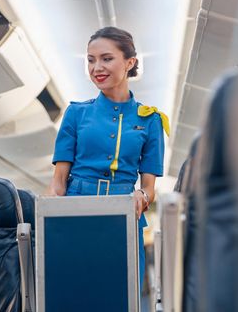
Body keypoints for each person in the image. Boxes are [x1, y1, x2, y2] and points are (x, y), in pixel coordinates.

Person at [48, 26, 169, 289]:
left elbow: (149, 188)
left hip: (124, 213)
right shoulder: (76, 114)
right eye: (90, 60)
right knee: (74, 294)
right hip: (76, 210)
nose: (96, 68)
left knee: (120, 294)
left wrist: (143, 196)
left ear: (130, 62)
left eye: (106, 58)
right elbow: (58, 182)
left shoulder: (151, 120)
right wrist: (51, 222)